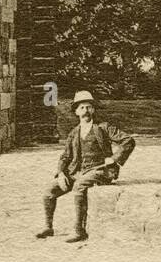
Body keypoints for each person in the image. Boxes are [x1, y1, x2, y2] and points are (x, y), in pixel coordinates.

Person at [35, 90, 135, 243]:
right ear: (76, 112)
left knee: (79, 187)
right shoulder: (74, 133)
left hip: (99, 170)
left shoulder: (103, 127)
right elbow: (65, 156)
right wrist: (61, 173)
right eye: (82, 108)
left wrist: (114, 159)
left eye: (89, 107)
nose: (86, 111)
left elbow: (128, 141)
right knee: (49, 191)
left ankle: (78, 230)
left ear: (93, 110)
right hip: (76, 171)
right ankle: (48, 227)